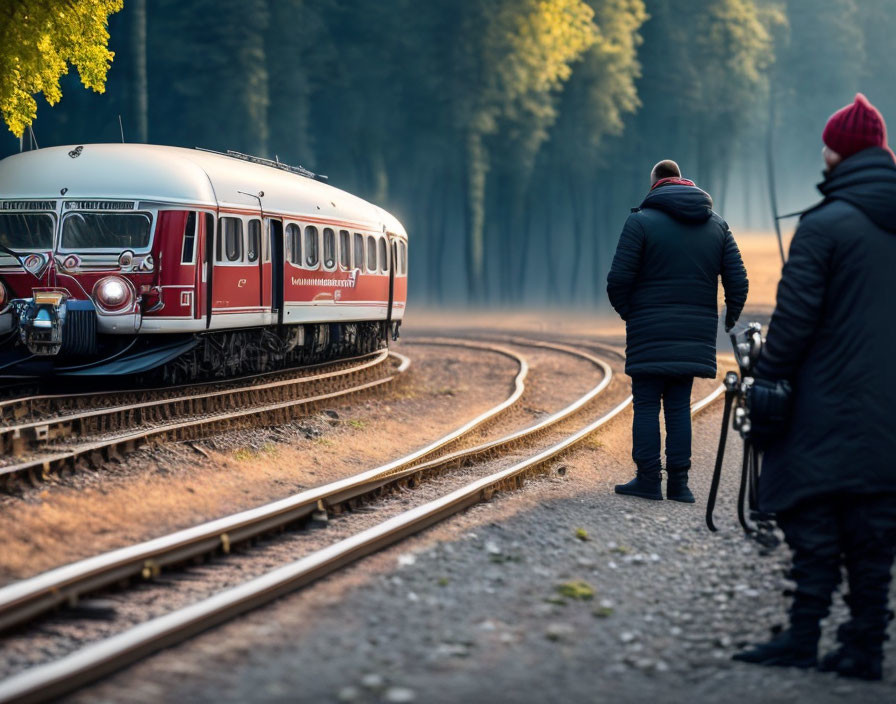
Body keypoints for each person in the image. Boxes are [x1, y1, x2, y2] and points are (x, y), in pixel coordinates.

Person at [733, 93, 896, 680]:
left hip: (827, 402)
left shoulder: (823, 227)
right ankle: (865, 648)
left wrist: (767, 376)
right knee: (876, 532)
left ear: (839, 153)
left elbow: (796, 321)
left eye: (828, 145)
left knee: (814, 517)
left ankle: (803, 636)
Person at [607, 160, 748, 502]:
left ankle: (648, 480)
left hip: (648, 329)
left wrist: (632, 314)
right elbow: (738, 281)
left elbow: (618, 280)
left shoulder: (639, 221)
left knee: (645, 404)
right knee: (678, 405)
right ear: (683, 181)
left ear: (654, 183)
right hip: (693, 334)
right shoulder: (717, 226)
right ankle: (680, 485)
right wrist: (729, 319)